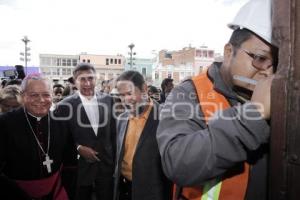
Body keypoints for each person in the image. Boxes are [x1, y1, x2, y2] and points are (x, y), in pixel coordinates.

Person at [156, 0, 278, 199]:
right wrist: (253, 114)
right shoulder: (188, 93)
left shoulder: (282, 97)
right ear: (229, 52)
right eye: (260, 58)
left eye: (277, 63)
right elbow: (178, 162)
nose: (269, 72)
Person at [0, 73, 74, 199]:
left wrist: (67, 190)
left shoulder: (62, 122)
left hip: (56, 192)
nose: (41, 100)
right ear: (23, 96)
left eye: (46, 94)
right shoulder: (5, 123)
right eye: (34, 95)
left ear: (52, 96)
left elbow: (70, 163)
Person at [55, 63, 116, 200]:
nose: (87, 83)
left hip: (106, 167)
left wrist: (115, 164)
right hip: (79, 169)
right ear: (75, 81)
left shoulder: (109, 100)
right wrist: (77, 148)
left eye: (90, 78)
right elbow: (59, 139)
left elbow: (114, 135)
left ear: (96, 79)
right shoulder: (64, 106)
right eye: (82, 79)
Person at [113, 70, 172, 200]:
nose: (126, 100)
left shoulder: (166, 117)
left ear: (144, 88)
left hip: (153, 193)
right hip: (124, 191)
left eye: (130, 93)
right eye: (122, 95)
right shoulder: (121, 119)